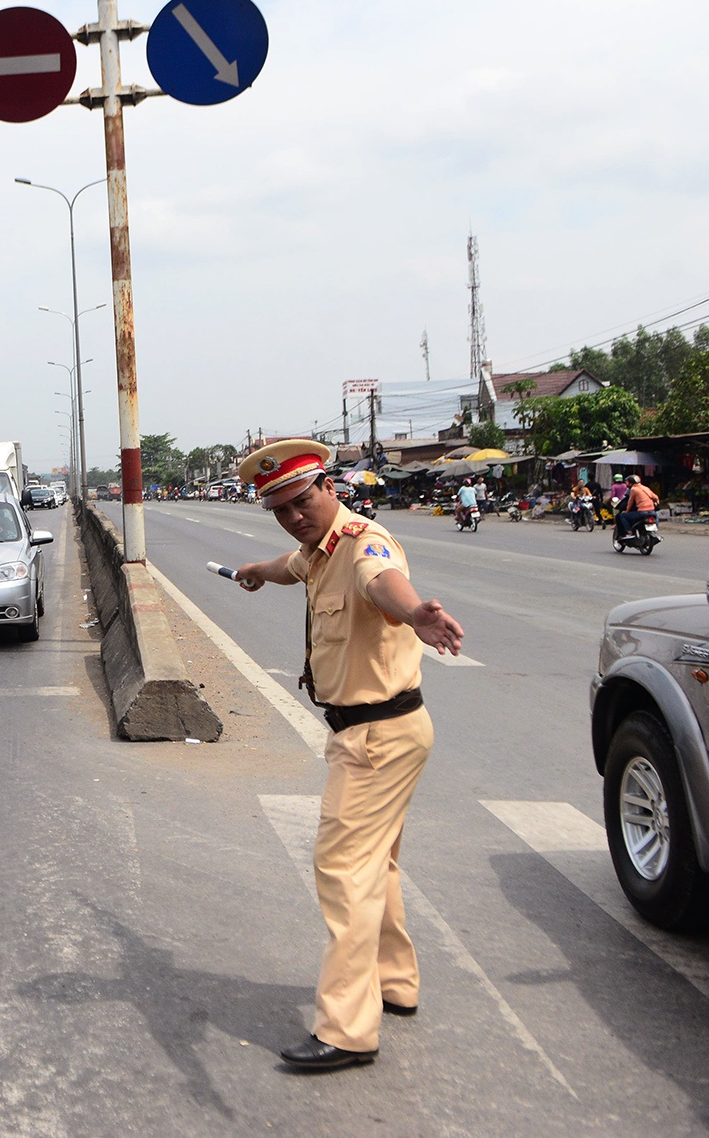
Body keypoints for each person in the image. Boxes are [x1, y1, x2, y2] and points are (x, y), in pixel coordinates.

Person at [231, 440, 464, 1072]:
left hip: (376, 739)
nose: (294, 516)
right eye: (280, 509)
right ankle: (394, 983)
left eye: (302, 501)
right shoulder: (317, 552)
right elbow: (292, 566)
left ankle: (347, 1028)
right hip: (381, 732)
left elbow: (382, 583)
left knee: (341, 869)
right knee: (377, 865)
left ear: (327, 487)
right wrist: (256, 568)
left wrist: (417, 612)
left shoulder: (363, 542)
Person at [616, 475, 659, 540]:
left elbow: (630, 502)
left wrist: (627, 511)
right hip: (652, 511)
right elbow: (656, 497)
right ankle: (655, 531)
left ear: (631, 483)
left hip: (642, 512)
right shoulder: (645, 488)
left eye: (627, 482)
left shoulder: (633, 489)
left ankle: (629, 532)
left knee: (622, 516)